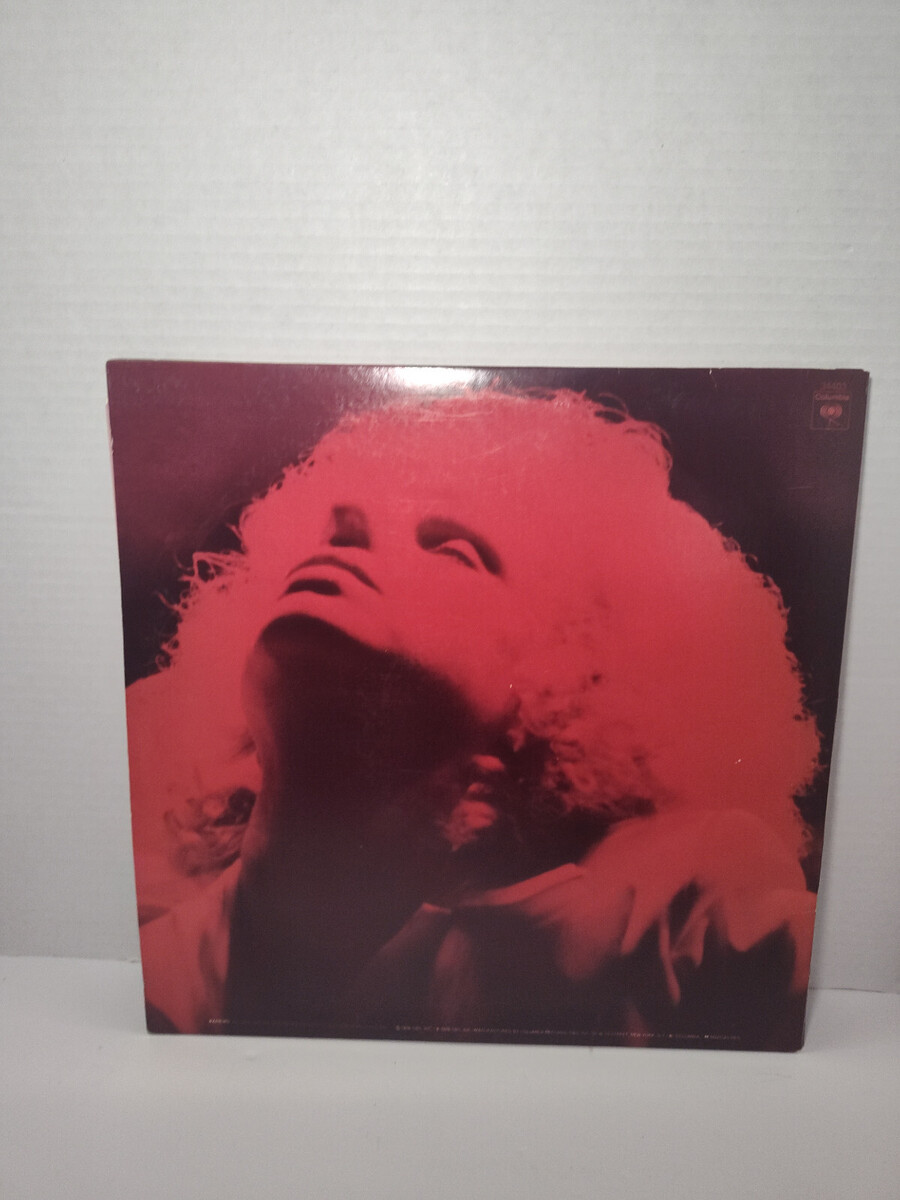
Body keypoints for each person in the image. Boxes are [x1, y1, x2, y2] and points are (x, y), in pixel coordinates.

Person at [128, 388, 821, 1048]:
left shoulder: (679, 915)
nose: (345, 534)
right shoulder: (135, 887)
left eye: (453, 549)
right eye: (346, 526)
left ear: (576, 675)